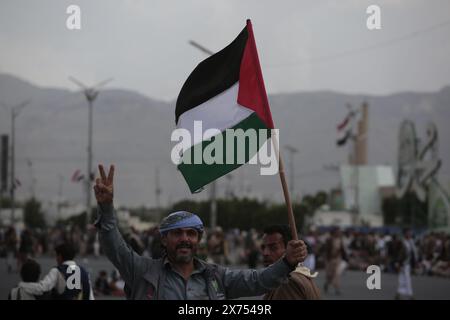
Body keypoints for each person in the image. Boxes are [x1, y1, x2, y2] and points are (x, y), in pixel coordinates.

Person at [94, 164, 308, 300]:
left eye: (191, 233)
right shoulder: (143, 272)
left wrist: (287, 262)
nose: (185, 239)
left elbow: (258, 280)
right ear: (164, 239)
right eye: (177, 233)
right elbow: (115, 247)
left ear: (199, 240)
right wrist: (106, 208)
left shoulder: (216, 277)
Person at [261, 225, 321, 300]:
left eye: (273, 248)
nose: (265, 253)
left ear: (290, 249)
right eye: (263, 248)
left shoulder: (287, 282)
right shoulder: (294, 275)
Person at [19, 243, 94, 300]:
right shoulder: (84, 272)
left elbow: (42, 288)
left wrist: (23, 285)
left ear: (60, 256)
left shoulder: (56, 271)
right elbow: (90, 296)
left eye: (56, 256)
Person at [322, 227, 346, 295]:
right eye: (337, 232)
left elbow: (342, 249)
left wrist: (345, 257)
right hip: (330, 259)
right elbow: (326, 250)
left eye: (339, 232)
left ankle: (337, 288)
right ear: (334, 232)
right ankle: (327, 284)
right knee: (330, 275)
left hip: (338, 259)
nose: (339, 233)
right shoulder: (329, 239)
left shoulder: (340, 240)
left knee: (337, 274)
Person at [395, 228, 418, 300]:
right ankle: (401, 294)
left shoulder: (411, 242)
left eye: (410, 233)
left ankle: (408, 295)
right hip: (402, 262)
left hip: (408, 263)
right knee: (401, 278)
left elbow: (413, 253)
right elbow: (398, 253)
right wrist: (397, 263)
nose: (409, 234)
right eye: (408, 233)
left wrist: (415, 263)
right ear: (405, 234)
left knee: (407, 278)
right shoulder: (401, 242)